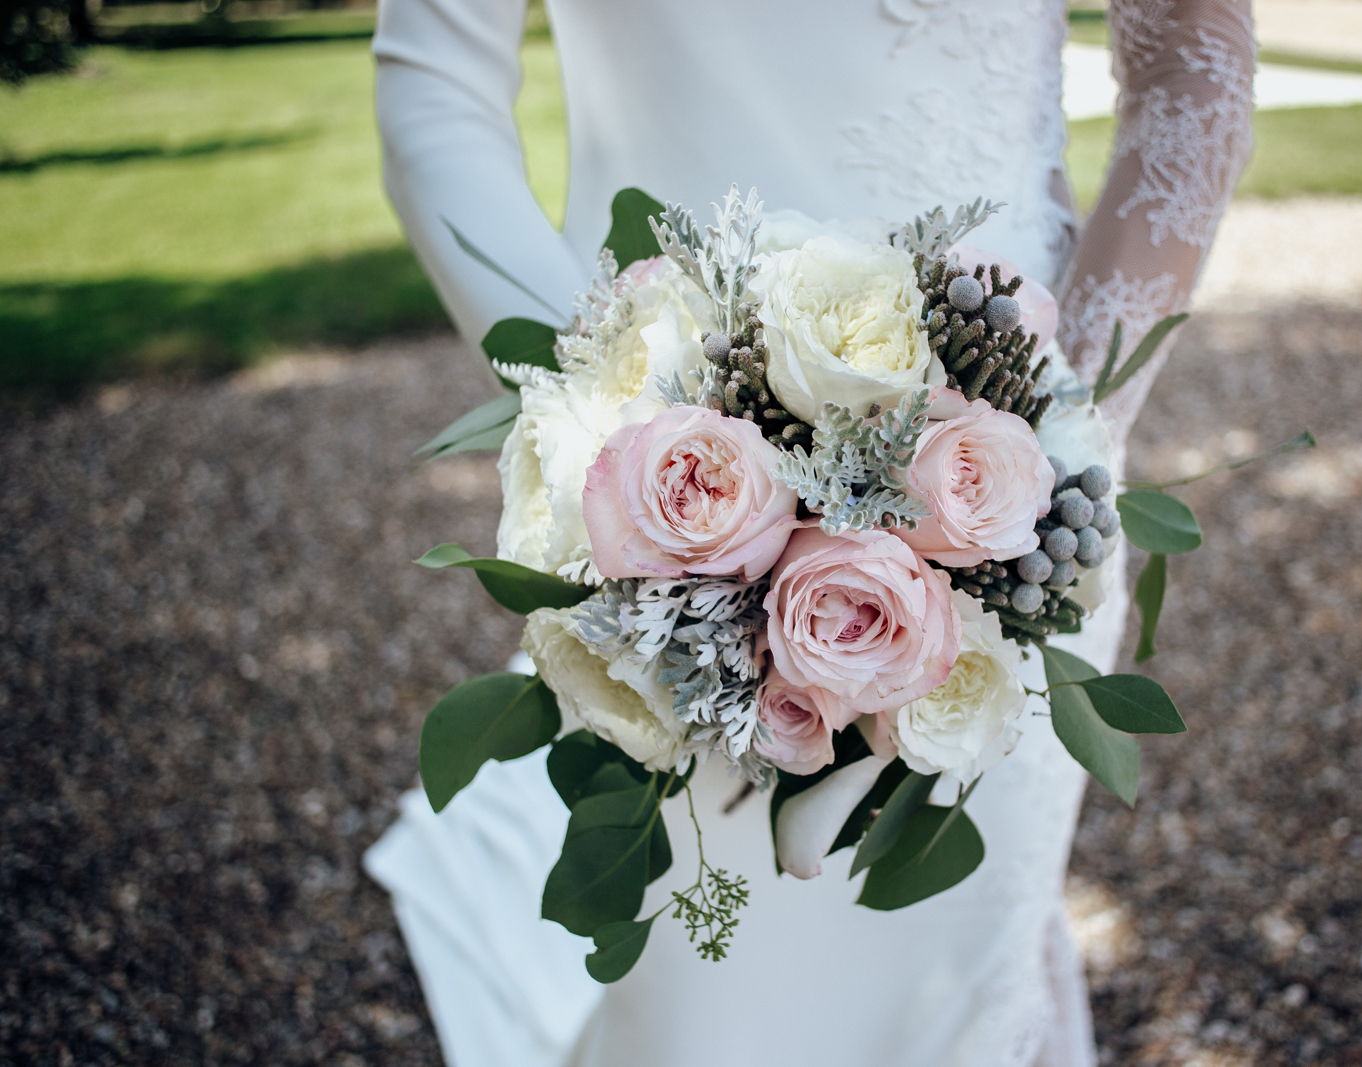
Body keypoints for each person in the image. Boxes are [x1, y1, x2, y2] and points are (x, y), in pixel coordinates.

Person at [363, 2, 1255, 1064]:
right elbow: (435, 82)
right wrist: (614, 427)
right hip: (668, 521)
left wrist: (1055, 450)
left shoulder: (1027, 485)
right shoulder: (653, 479)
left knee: (946, 994)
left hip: (1002, 504)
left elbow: (1189, 73)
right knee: (704, 1011)